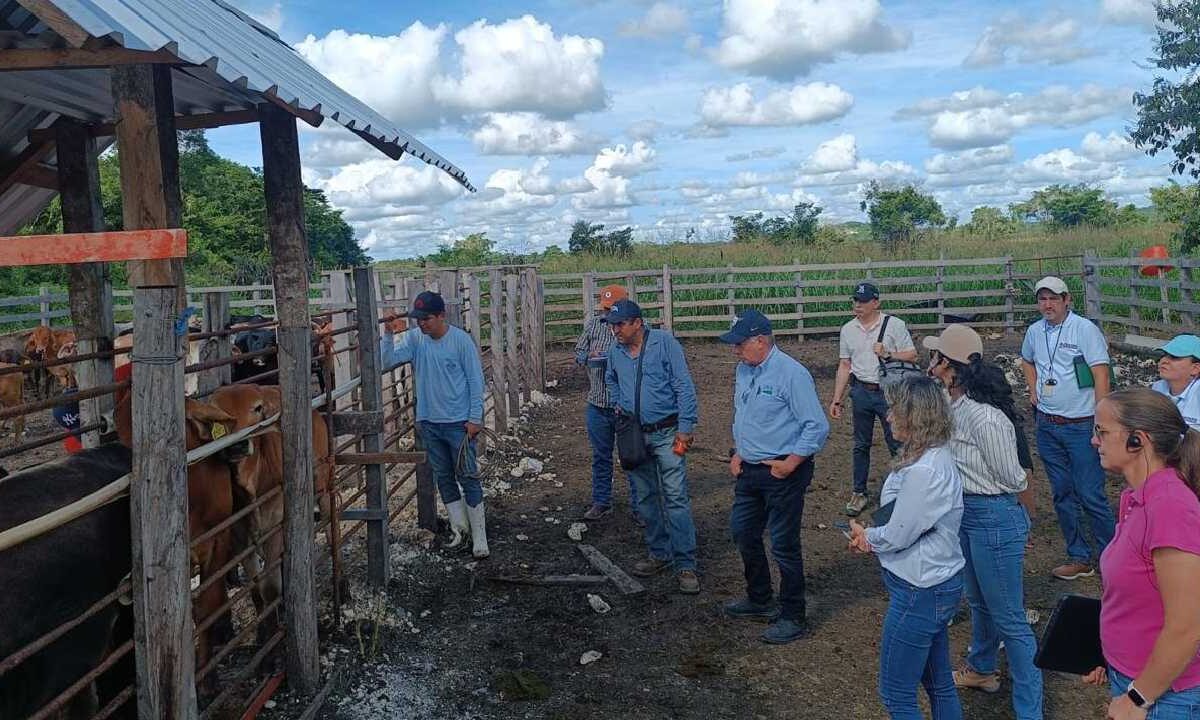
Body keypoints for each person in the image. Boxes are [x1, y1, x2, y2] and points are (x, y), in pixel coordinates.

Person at [925, 325, 1043, 719]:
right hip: (971, 513)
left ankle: (1030, 709)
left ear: (949, 365)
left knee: (1010, 617)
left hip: (992, 513)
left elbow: (1012, 477)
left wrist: (1019, 517)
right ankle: (982, 668)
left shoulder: (985, 419)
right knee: (979, 600)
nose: (931, 362)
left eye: (936, 356)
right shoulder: (952, 404)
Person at [847, 374, 965, 720]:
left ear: (916, 417)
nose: (888, 416)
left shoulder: (924, 471)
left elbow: (901, 532)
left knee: (896, 694)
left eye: (896, 410)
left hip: (919, 588)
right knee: (938, 682)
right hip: (936, 583)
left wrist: (868, 538)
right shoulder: (932, 456)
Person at [1081, 388, 1200, 718]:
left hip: (1165, 696)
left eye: (1102, 432)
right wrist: (1108, 654)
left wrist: (1137, 698)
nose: (1094, 441)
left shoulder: (1171, 510)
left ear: (1138, 440)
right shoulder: (1138, 500)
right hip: (1138, 679)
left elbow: (1187, 627)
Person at [719, 310, 829, 644]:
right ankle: (760, 597)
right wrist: (739, 451)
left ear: (761, 341)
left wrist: (792, 462)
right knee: (743, 532)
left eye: (740, 344)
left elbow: (816, 425)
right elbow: (746, 414)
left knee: (783, 543)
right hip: (751, 469)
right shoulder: (744, 370)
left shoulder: (792, 374)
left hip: (782, 470)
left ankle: (793, 613)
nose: (735, 350)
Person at [1019, 275, 1115, 580]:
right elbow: (1026, 361)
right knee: (1061, 492)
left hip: (1082, 423)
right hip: (1048, 424)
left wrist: (1102, 423)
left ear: (1066, 300)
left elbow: (1101, 374)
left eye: (1053, 298)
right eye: (1042, 299)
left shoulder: (1085, 330)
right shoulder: (1035, 331)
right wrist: (1032, 388)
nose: (1047, 304)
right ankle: (1079, 556)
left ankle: (1113, 557)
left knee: (1091, 493)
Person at [604, 298, 701, 594]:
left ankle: (685, 562)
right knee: (645, 496)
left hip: (668, 433)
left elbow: (683, 385)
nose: (615, 330)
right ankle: (659, 553)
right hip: (634, 433)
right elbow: (610, 379)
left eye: (620, 324)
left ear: (637, 323)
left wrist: (685, 428)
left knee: (675, 496)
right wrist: (621, 404)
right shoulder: (615, 352)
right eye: (613, 325)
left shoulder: (665, 344)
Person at [381, 290, 489, 558]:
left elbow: (476, 381)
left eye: (426, 318)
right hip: (430, 421)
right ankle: (460, 530)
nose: (422, 323)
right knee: (444, 478)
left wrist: (475, 418)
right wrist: (388, 334)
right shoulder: (417, 339)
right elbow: (388, 361)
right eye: (419, 319)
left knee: (468, 475)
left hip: (458, 424)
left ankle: (480, 537)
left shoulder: (461, 342)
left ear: (442, 316)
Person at [829, 281, 917, 516]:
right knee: (860, 444)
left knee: (896, 441)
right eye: (856, 301)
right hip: (860, 391)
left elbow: (911, 355)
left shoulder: (894, 325)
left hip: (889, 392)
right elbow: (845, 365)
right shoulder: (848, 329)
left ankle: (905, 488)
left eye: (863, 301)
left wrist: (888, 354)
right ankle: (859, 492)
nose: (858, 305)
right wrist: (837, 398)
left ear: (876, 302)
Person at [574, 284, 639, 521]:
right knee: (601, 456)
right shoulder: (593, 325)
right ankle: (602, 501)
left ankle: (639, 505)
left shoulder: (636, 331)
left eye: (612, 310)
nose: (608, 315)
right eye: (606, 309)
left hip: (625, 405)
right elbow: (579, 351)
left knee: (632, 457)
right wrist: (587, 356)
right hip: (598, 402)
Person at [1151, 334, 1200, 431]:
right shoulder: (1157, 388)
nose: (1164, 360)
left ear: (1195, 368)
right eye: (1164, 355)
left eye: (1174, 357)